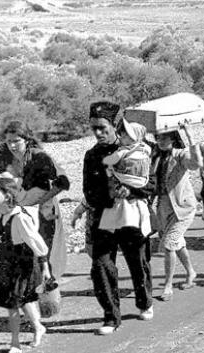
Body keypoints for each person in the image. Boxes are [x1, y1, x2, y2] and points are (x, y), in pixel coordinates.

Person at [83, 101, 154, 335]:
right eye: (94, 128)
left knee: (138, 263)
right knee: (101, 266)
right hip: (104, 218)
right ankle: (111, 317)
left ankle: (144, 303)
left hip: (132, 216)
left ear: (115, 126)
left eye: (103, 128)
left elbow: (151, 184)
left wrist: (131, 191)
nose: (98, 133)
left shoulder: (139, 148)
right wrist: (109, 195)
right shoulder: (92, 155)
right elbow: (89, 191)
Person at [0, 120, 70, 280]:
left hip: (43, 208)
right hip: (14, 210)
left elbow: (63, 182)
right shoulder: (1, 158)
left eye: (16, 141)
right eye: (8, 141)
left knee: (42, 246)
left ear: (26, 139)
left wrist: (42, 201)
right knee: (19, 246)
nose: (12, 146)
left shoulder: (39, 157)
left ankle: (45, 285)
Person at [0, 177, 52, 353]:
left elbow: (38, 244)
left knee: (13, 304)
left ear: (7, 196)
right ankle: (38, 327)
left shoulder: (20, 218)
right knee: (22, 301)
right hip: (6, 263)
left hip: (22, 266)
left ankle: (15, 343)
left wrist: (45, 269)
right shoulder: (0, 215)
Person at [153, 124, 200, 301]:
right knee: (177, 243)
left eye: (164, 137)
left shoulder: (180, 155)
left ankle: (167, 285)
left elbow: (196, 164)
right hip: (164, 207)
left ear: (173, 138)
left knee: (169, 244)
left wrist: (190, 136)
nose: (160, 141)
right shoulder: (157, 157)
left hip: (183, 207)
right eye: (158, 138)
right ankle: (191, 272)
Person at [98, 119, 152, 236]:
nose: (121, 137)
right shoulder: (146, 151)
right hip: (131, 206)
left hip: (133, 207)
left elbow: (152, 184)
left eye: (124, 135)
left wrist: (129, 190)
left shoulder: (122, 152)